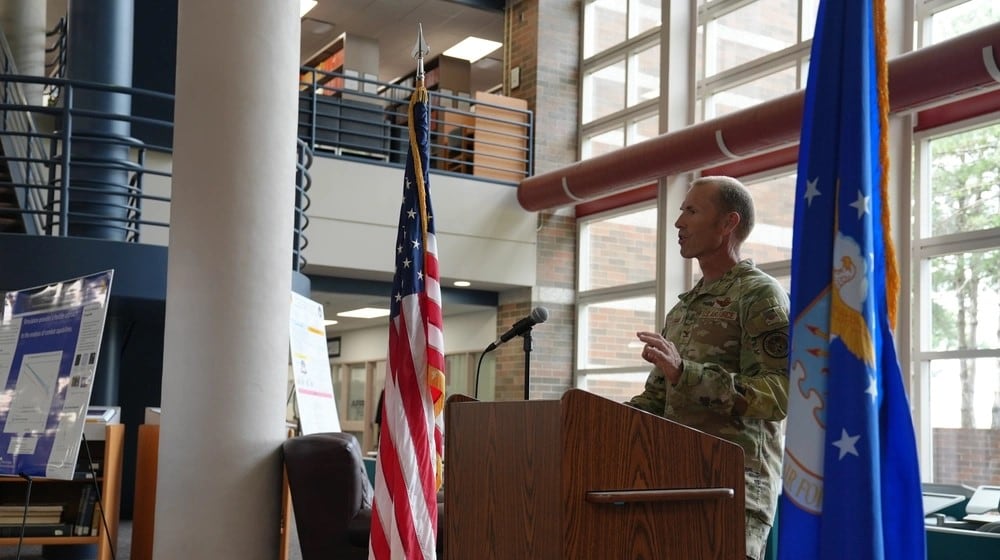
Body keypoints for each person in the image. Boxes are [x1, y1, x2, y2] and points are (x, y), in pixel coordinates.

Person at [626, 176, 789, 560]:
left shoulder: (759, 295)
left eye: (692, 211)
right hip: (675, 487)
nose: (679, 222)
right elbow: (656, 400)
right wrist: (588, 419)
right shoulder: (683, 308)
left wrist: (687, 374)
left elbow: (779, 394)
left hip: (732, 493)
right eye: (681, 211)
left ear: (728, 223)